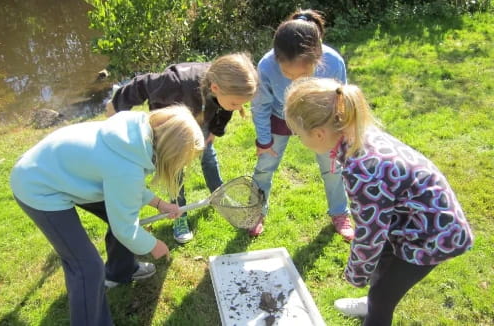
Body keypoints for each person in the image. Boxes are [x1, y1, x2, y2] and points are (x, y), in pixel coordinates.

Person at [283, 77, 474, 326]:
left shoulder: (362, 171)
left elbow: (370, 235)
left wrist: (355, 273)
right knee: (382, 268)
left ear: (319, 134)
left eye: (299, 135)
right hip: (408, 218)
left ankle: (373, 305)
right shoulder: (356, 132)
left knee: (383, 298)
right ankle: (369, 301)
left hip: (435, 234)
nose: (300, 140)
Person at [10, 106, 204, 326]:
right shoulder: (126, 165)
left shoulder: (135, 135)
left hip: (60, 169)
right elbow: (125, 225)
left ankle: (121, 270)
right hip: (38, 186)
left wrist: (159, 204)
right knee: (87, 267)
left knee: (125, 211)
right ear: (170, 153)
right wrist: (154, 245)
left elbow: (126, 188)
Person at [106, 52, 258, 243]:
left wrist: (215, 129)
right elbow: (141, 84)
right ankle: (179, 213)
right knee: (175, 168)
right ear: (215, 87)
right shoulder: (175, 82)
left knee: (209, 157)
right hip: (172, 128)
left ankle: (219, 197)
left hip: (200, 118)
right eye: (236, 103)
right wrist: (116, 104)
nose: (238, 108)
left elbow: (225, 108)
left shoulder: (226, 87)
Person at [250, 9, 353, 239]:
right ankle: (256, 211)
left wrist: (340, 130)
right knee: (265, 166)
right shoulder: (266, 66)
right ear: (276, 59)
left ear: (318, 59)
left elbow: (341, 100)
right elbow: (260, 106)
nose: (296, 83)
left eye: (304, 74)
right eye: (288, 74)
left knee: (333, 167)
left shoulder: (334, 61)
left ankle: (339, 212)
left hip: (320, 118)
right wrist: (264, 141)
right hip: (280, 115)